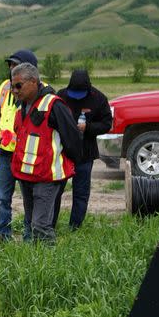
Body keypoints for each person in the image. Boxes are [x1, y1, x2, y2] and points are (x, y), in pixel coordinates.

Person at [10, 62, 82, 243]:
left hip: (47, 177)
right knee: (30, 223)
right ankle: (34, 263)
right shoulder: (21, 107)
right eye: (12, 86)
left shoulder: (54, 105)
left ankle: (50, 266)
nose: (14, 90)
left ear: (33, 82)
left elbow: (73, 139)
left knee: (40, 226)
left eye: (18, 85)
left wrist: (69, 166)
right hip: (26, 176)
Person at [53, 69, 113, 230]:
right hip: (62, 154)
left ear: (88, 89)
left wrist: (88, 127)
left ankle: (75, 227)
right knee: (55, 191)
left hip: (85, 154)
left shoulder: (99, 98)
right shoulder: (61, 96)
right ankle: (49, 225)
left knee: (80, 193)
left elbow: (107, 124)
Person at [0, 49, 39, 242]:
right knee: (3, 198)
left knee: (29, 200)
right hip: (5, 152)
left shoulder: (38, 90)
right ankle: (3, 236)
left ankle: (29, 237)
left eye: (16, 65)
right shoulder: (4, 87)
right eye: (10, 65)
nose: (12, 69)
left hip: (26, 153)